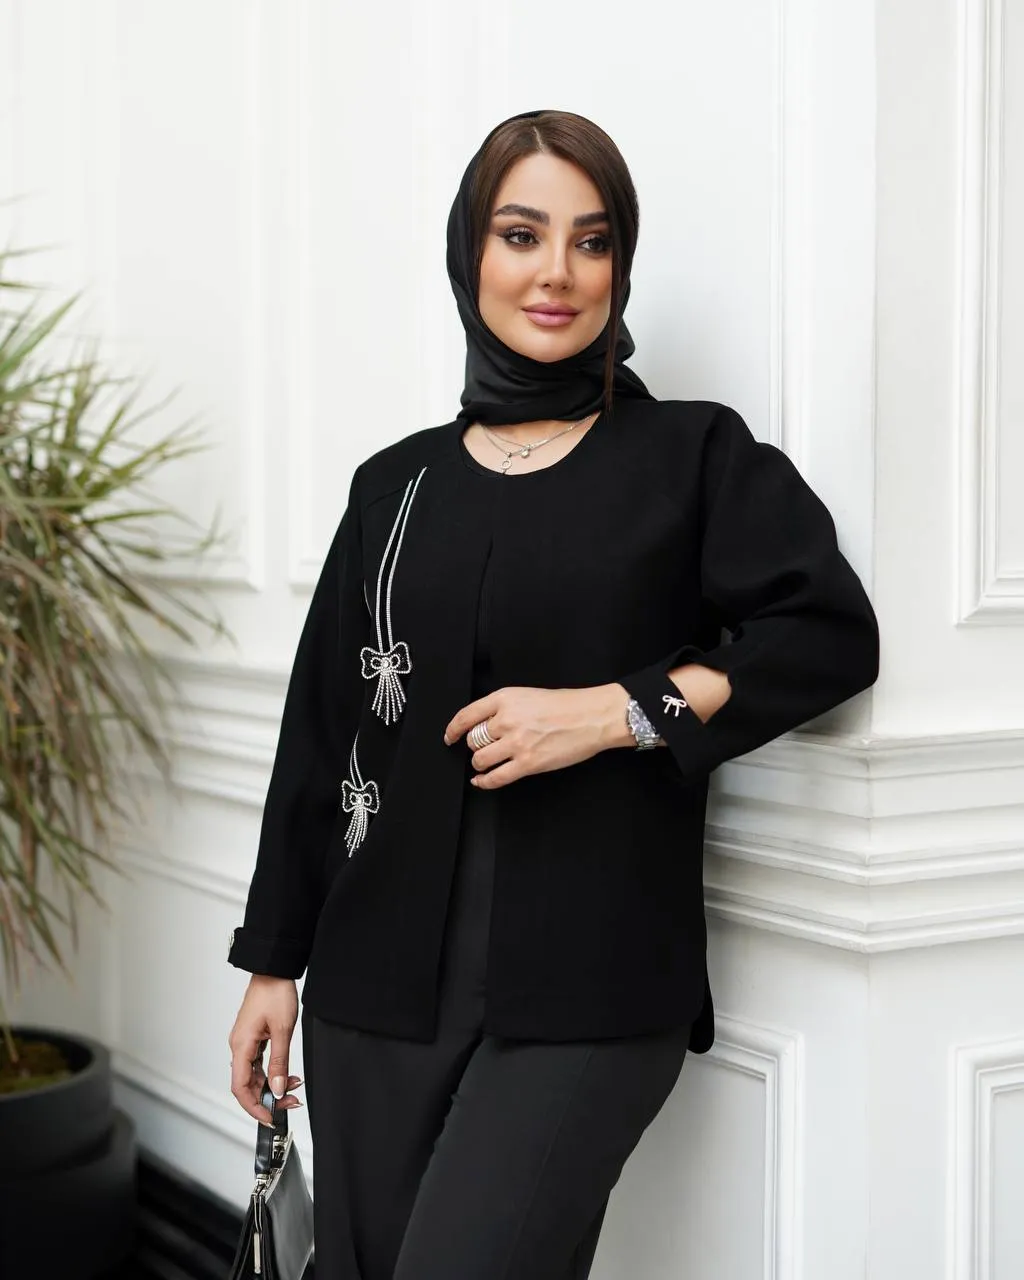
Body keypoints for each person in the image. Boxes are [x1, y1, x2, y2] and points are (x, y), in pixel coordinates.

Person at [226, 108, 880, 1278]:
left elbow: (826, 634)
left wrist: (616, 710)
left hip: (590, 983)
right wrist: (273, 964)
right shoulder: (393, 486)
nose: (557, 273)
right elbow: (323, 734)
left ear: (620, 263)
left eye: (592, 241)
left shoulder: (688, 457)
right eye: (522, 234)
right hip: (372, 987)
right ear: (469, 250)